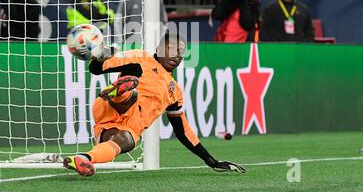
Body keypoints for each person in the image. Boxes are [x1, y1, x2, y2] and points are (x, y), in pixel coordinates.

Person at [63, 30, 247, 176]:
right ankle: (121, 92)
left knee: (124, 141)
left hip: (123, 127)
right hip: (111, 106)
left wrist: (212, 161)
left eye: (181, 52)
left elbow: (183, 131)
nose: (177, 55)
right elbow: (96, 69)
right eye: (172, 48)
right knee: (133, 92)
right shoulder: (139, 58)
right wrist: (100, 57)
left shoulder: (174, 91)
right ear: (159, 48)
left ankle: (84, 158)